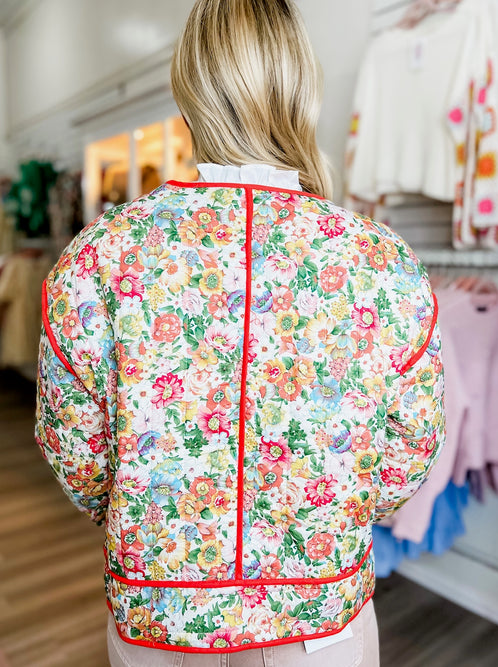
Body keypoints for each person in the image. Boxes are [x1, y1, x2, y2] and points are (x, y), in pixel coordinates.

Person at [35, 1, 446, 665]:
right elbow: (409, 449)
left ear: (188, 88)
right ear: (301, 87)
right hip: (319, 617)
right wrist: (334, 506)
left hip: (160, 613)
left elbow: (76, 453)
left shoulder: (99, 256)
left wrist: (141, 508)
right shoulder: (379, 261)